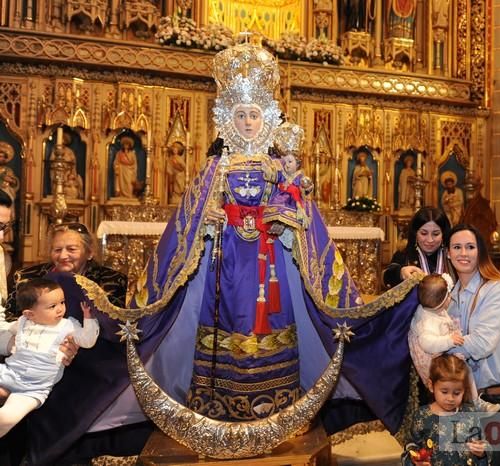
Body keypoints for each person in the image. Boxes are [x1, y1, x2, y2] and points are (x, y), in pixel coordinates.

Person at [67, 40, 419, 464]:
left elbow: (303, 219)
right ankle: (220, 405)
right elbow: (189, 217)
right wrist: (208, 221)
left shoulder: (278, 168)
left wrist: (284, 214)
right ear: (228, 120)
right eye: (241, 115)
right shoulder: (215, 168)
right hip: (226, 264)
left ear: (266, 118)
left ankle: (276, 406)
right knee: (225, 324)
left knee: (271, 323)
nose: (249, 122)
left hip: (270, 266)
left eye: (255, 114)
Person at [4, 223, 137, 465]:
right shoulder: (29, 277)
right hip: (35, 353)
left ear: (89, 252)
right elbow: (15, 317)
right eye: (57, 249)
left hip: (91, 357)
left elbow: (114, 326)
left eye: (71, 249)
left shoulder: (111, 279)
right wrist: (20, 339)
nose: (63, 255)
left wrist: (74, 344)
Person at [446, 224, 500, 466]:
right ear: (448, 253)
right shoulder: (452, 294)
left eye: (470, 247)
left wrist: (437, 346)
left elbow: (481, 344)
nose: (463, 253)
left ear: (480, 251)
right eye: (457, 247)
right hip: (468, 401)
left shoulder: (494, 287)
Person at [0, 278, 98, 437]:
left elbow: (87, 340)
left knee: (6, 418)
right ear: (30, 314)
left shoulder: (67, 326)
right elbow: (6, 330)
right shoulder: (23, 322)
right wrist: (12, 340)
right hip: (9, 372)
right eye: (52, 306)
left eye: (62, 302)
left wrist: (89, 319)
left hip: (33, 389)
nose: (60, 309)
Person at [408, 273, 500, 414]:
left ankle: (469, 403)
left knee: (461, 376)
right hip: (433, 361)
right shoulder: (427, 321)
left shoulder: (433, 311)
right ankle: (477, 404)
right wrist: (449, 341)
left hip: (440, 354)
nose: (450, 298)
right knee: (464, 371)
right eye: (448, 296)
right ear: (441, 302)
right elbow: (427, 343)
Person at [402, 354, 490, 466]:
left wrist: (482, 452)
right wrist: (415, 461)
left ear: (464, 389)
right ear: (431, 386)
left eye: (457, 393)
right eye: (444, 392)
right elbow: (410, 446)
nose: (450, 398)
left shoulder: (470, 413)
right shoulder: (422, 416)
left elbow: (484, 445)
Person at [383, 207, 451, 289]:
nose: (430, 240)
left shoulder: (451, 256)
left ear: (443, 234)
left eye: (435, 234)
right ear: (415, 233)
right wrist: (400, 273)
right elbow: (385, 278)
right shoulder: (403, 255)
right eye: (424, 233)